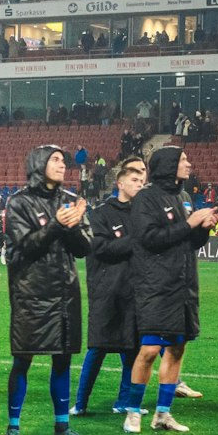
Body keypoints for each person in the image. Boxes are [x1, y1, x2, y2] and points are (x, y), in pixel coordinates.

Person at [0, 145, 95, 435]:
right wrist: (58, 224)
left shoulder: (71, 202)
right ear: (39, 164)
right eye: (55, 160)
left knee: (63, 359)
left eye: (63, 161)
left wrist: (74, 225)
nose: (62, 165)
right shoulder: (19, 202)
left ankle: (62, 428)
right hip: (31, 292)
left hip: (65, 291)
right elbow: (26, 246)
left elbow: (85, 247)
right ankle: (13, 428)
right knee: (23, 360)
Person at [121, 147, 215, 435]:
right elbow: (150, 239)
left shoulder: (184, 198)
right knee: (149, 350)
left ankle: (163, 413)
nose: (188, 163)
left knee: (176, 348)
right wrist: (190, 223)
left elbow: (188, 242)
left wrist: (203, 229)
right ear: (168, 165)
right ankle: (133, 412)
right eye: (184, 159)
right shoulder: (145, 199)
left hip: (184, 286)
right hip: (156, 286)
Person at [75, 155, 144, 417]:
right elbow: (100, 248)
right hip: (106, 291)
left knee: (132, 350)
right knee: (98, 349)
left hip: (134, 291)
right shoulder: (101, 214)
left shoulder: (142, 214)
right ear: (120, 182)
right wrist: (136, 240)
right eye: (134, 179)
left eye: (142, 180)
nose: (139, 184)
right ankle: (80, 404)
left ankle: (123, 402)